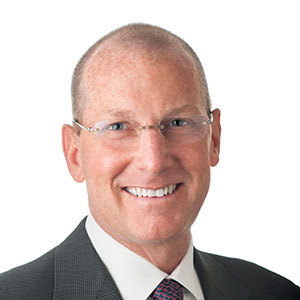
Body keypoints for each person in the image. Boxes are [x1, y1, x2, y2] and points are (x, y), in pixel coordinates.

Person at [0, 23, 299, 300]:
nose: (153, 161)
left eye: (179, 122)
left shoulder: (277, 293)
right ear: (74, 154)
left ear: (214, 139)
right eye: (118, 127)